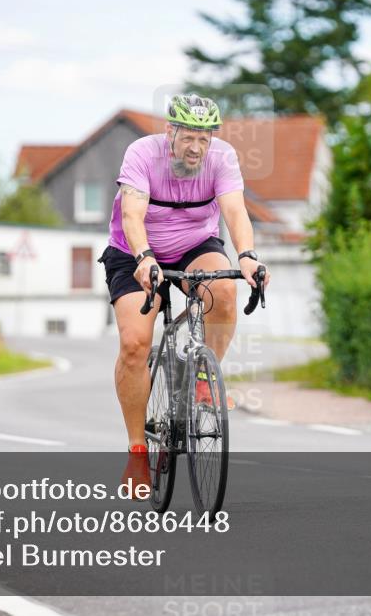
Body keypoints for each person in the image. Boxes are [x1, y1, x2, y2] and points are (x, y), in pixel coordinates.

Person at [98, 94, 271, 496]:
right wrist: (144, 257)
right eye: (189, 137)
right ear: (170, 132)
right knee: (135, 344)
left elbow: (234, 211)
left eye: (204, 138)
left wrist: (246, 256)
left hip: (195, 245)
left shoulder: (222, 159)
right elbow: (132, 215)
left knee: (224, 291)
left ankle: (203, 378)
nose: (196, 147)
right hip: (133, 252)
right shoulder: (142, 154)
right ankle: (138, 450)